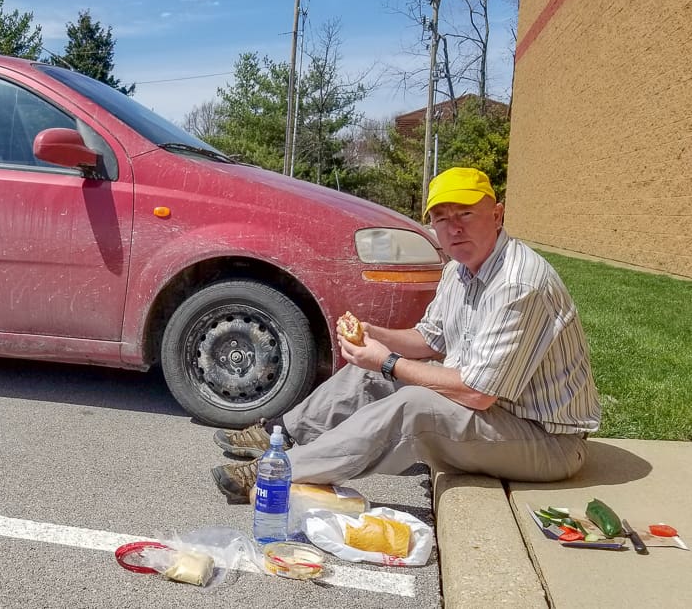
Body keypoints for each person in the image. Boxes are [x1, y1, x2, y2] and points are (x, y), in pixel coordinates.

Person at [211, 167, 601, 503]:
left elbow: (478, 394)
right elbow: (431, 340)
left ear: (497, 215)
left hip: (548, 443)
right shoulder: (459, 270)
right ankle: (281, 433)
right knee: (369, 373)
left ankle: (277, 472)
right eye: (442, 218)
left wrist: (389, 362)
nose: (455, 227)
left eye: (467, 213)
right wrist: (374, 335)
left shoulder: (518, 284)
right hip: (498, 412)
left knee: (413, 404)